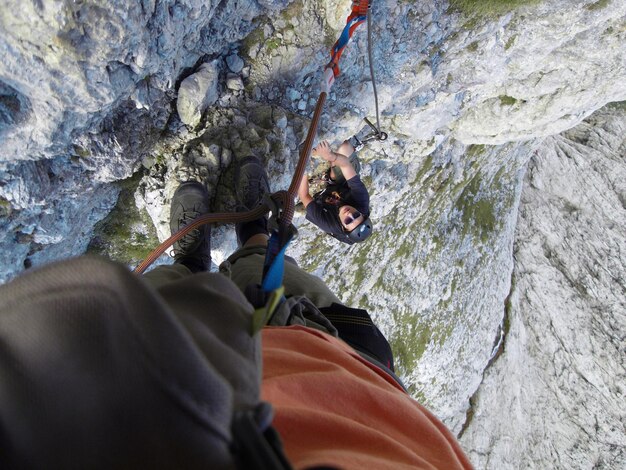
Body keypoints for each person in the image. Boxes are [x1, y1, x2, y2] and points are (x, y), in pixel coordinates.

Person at [0, 156, 472, 469]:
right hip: (343, 360)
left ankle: (191, 260)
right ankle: (252, 229)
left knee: (166, 299)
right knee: (267, 270)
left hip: (198, 398)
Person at [298, 140, 373, 244]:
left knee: (294, 202)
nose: (349, 214)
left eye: (348, 221)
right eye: (356, 215)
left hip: (323, 201)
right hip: (341, 185)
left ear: (343, 226)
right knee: (345, 148)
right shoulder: (362, 200)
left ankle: (330, 177)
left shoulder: (329, 224)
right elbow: (346, 165)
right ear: (362, 213)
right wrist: (330, 156)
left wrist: (304, 166)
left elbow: (304, 195)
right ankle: (332, 175)